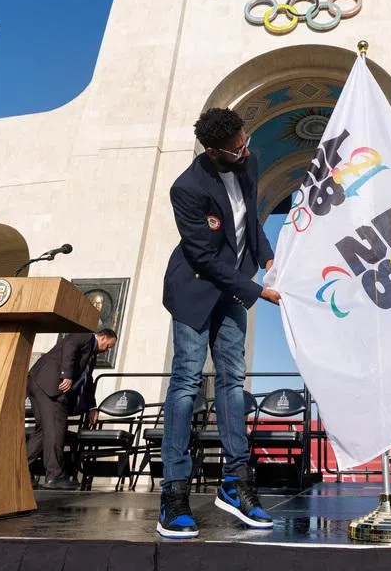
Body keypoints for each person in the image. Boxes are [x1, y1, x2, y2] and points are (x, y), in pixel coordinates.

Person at [158, 107, 278, 539]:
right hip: (194, 288)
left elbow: (251, 217)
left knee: (232, 383)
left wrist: (268, 257)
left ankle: (235, 483)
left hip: (231, 285)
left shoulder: (248, 158)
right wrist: (257, 290)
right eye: (236, 148)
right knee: (187, 383)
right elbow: (204, 257)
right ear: (213, 151)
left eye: (246, 141)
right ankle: (173, 494)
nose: (245, 152)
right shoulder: (186, 188)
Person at [25, 328, 117, 490]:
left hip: (40, 383)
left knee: (43, 431)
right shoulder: (85, 336)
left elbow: (87, 381)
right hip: (51, 384)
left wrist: (92, 407)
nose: (106, 350)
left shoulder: (91, 356)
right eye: (108, 346)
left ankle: (19, 471)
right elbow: (70, 347)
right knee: (56, 428)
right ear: (103, 338)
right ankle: (54, 476)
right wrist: (66, 374)